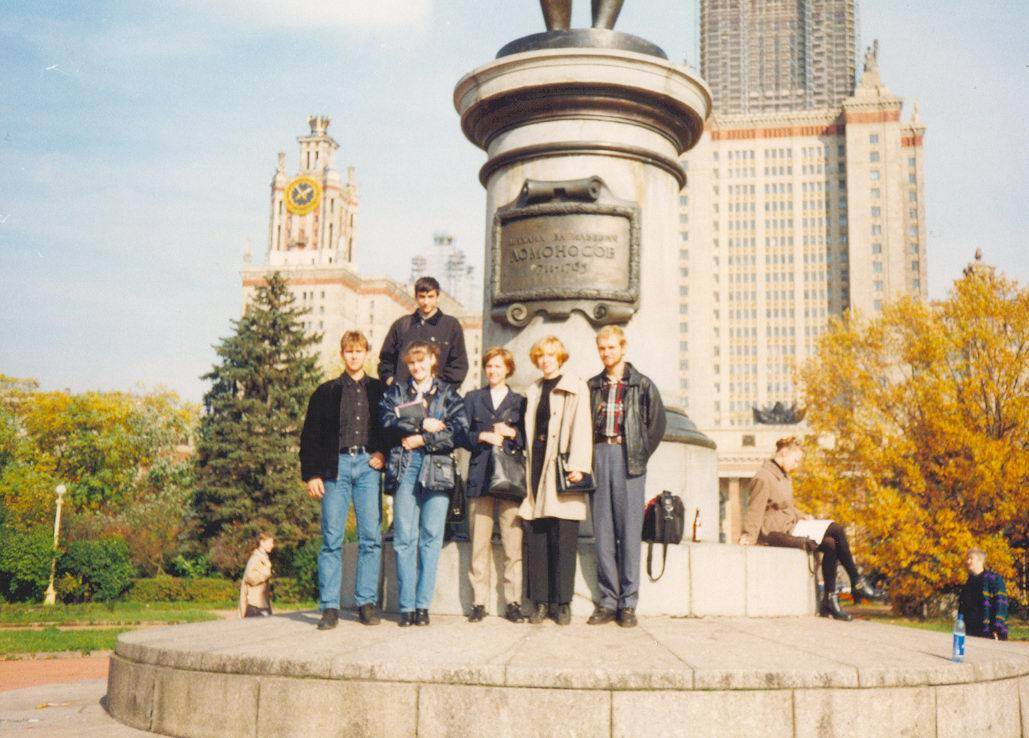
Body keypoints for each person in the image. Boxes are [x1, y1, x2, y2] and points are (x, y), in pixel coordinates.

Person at [739, 437, 881, 621]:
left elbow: (787, 507)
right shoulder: (763, 477)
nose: (797, 465)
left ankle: (830, 601)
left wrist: (802, 515)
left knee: (831, 544)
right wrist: (748, 537)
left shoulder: (784, 477)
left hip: (790, 525)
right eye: (796, 460)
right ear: (784, 453)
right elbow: (755, 509)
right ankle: (857, 580)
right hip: (775, 531)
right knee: (836, 529)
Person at [300, 330, 387, 630]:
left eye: (359, 351)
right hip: (334, 467)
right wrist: (312, 474)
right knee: (332, 539)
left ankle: (365, 603)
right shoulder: (325, 392)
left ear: (366, 354)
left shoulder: (379, 391)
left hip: (367, 466)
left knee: (371, 537)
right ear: (342, 354)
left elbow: (390, 427)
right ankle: (329, 607)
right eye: (349, 351)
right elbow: (309, 436)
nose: (354, 356)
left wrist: (383, 452)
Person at [380, 340, 468, 627]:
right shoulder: (396, 392)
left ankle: (422, 606)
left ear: (433, 361)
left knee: (431, 536)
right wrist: (422, 423)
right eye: (412, 362)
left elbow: (460, 432)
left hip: (437, 468)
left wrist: (423, 438)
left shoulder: (449, 395)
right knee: (404, 537)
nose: (416, 367)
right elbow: (385, 421)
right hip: (405, 466)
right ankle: (406, 606)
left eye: (421, 361)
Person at [586, 326, 666, 628]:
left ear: (623, 348)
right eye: (602, 348)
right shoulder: (593, 386)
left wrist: (639, 453)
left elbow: (657, 425)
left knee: (629, 531)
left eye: (611, 347)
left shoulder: (642, 385)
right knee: (603, 531)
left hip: (628, 458)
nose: (606, 353)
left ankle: (628, 603)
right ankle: (608, 600)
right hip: (599, 454)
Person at [521, 336, 593, 626]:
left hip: (562, 467)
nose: (545, 360)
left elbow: (582, 427)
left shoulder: (575, 386)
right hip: (537, 465)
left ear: (560, 357)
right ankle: (540, 602)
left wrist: (579, 465)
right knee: (538, 537)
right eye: (540, 355)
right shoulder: (534, 389)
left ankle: (562, 603)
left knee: (563, 537)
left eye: (551, 355)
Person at [464, 347, 527, 624]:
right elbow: (460, 434)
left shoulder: (519, 401)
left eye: (498, 366)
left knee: (513, 546)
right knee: (479, 543)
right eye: (489, 366)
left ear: (508, 369)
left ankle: (513, 602)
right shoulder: (473, 398)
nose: (492, 371)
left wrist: (512, 432)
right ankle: (479, 602)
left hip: (510, 480)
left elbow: (528, 436)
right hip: (480, 478)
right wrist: (482, 436)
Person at [377, 276, 469, 389]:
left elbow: (458, 365)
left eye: (430, 297)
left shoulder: (451, 325)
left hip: (438, 396)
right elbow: (386, 361)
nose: (426, 302)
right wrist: (392, 382)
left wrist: (440, 390)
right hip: (403, 395)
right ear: (415, 297)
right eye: (422, 297)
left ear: (437, 297)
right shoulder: (401, 325)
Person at [958, 548, 1009, 640]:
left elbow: (1001, 604)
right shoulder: (968, 583)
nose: (967, 561)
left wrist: (997, 628)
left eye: (971, 558)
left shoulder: (993, 579)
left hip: (989, 631)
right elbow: (962, 607)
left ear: (980, 561)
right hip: (970, 631)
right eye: (967, 559)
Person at [239, 533, 274, 618]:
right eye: (270, 543)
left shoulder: (263, 558)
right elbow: (250, 578)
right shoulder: (255, 558)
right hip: (255, 605)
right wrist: (266, 573)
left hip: (262, 603)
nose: (272, 545)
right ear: (262, 542)